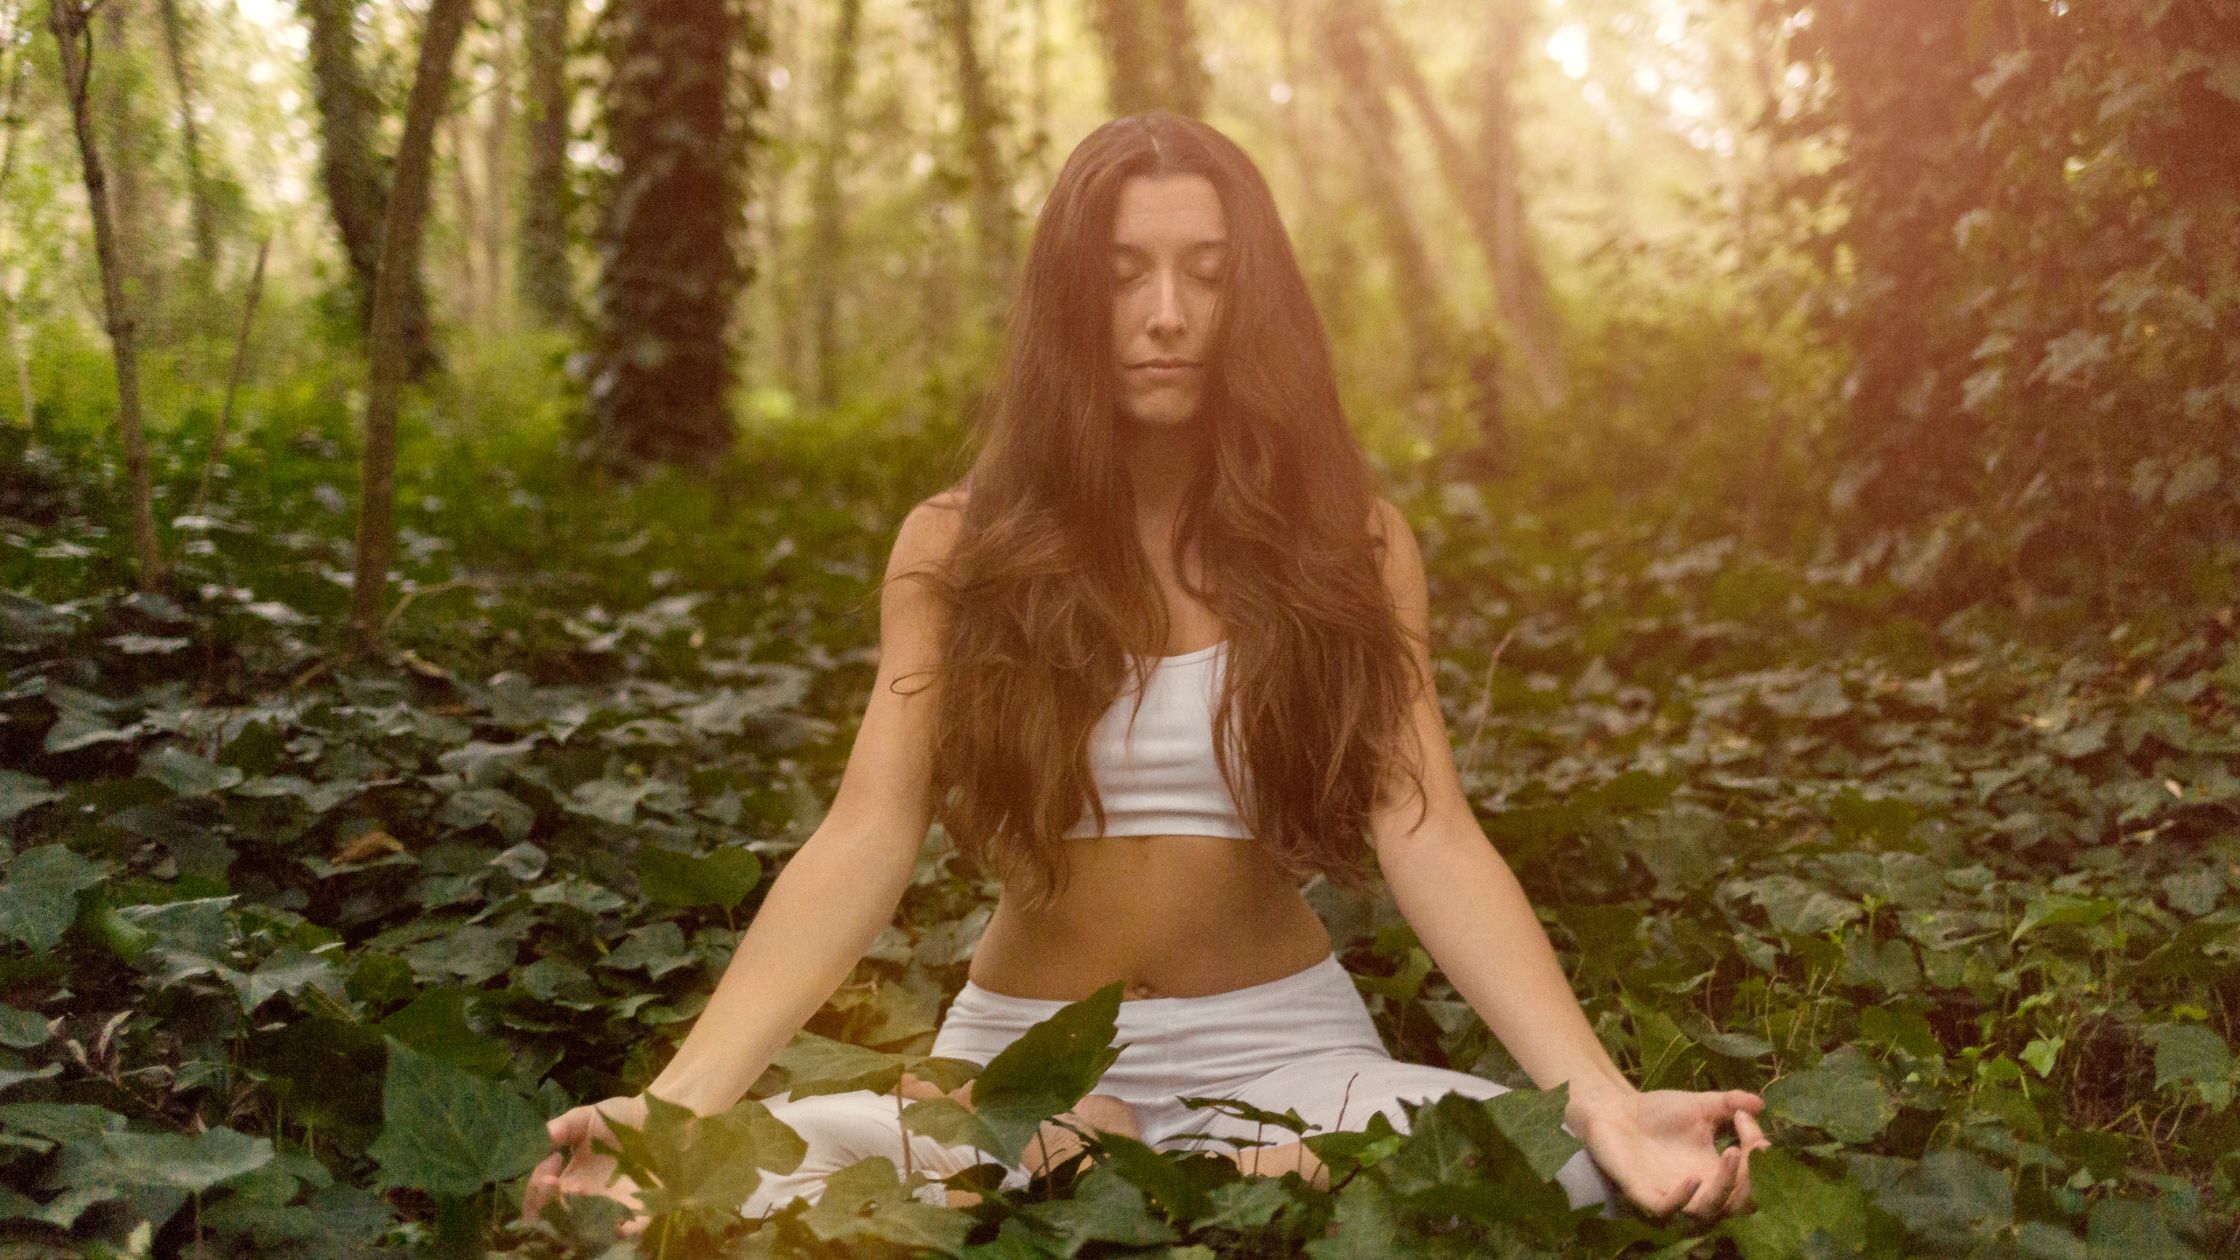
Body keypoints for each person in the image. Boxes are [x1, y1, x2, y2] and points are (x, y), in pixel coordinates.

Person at [522, 112, 1771, 1231]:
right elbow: (864, 835)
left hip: (1285, 1053)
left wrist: (1601, 1096)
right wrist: (671, 1109)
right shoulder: (957, 546)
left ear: (1251, 302)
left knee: (1578, 1168)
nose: (1166, 313)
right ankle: (1091, 1157)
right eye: (1122, 276)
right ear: (1067, 302)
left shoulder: (1349, 542)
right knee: (702, 1197)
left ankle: (1205, 1170)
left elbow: (1425, 827)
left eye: (1205, 274)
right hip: (1024, 1063)